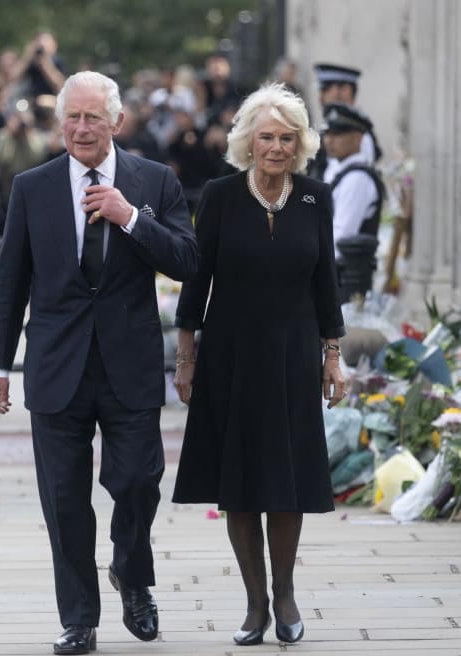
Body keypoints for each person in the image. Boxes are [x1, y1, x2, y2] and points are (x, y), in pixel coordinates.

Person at [0, 71, 198, 655]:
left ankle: (132, 574)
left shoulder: (154, 180)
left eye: (93, 118)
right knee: (64, 499)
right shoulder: (32, 187)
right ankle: (78, 618)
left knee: (136, 484)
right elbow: (10, 280)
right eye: (71, 118)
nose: (81, 129)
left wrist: (130, 217)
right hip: (57, 367)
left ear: (117, 123)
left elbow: (187, 262)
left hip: (128, 364)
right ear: (59, 124)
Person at [171, 82, 347, 646]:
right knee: (241, 481)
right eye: (267, 137)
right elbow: (197, 281)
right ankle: (255, 604)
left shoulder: (317, 196)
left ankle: (287, 593)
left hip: (294, 355)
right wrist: (185, 357)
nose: (276, 146)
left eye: (287, 138)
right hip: (231, 354)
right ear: (248, 141)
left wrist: (333, 357)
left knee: (286, 480)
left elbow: (327, 283)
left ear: (301, 143)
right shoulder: (221, 195)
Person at [321, 103, 384, 258]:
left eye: (337, 134)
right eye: (327, 134)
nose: (329, 141)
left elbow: (340, 239)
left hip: (343, 276)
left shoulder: (356, 179)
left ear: (358, 138)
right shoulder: (343, 174)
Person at [309, 62, 381, 180]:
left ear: (345, 90)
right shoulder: (328, 125)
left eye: (325, 90)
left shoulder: (360, 133)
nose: (320, 97)